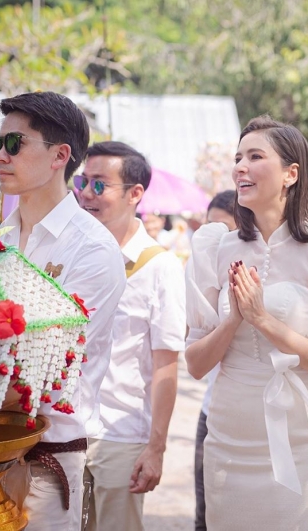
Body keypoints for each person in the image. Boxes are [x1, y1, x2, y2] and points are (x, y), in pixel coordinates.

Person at [185, 116, 308, 530]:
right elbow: (195, 366)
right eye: (237, 158)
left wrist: (264, 320)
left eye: (254, 156)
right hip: (228, 441)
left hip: (300, 443)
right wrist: (234, 318)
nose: (240, 168)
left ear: (291, 173)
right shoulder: (214, 247)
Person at [0, 91, 126, 530]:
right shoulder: (3, 238)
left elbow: (47, 370)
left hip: (44, 463)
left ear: (60, 156)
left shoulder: (92, 250)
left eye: (14, 144)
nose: (0, 155)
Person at [78, 141, 185, 531]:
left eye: (100, 185)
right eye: (83, 181)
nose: (86, 194)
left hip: (121, 436)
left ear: (135, 194)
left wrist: (156, 447)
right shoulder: (78, 256)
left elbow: (165, 366)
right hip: (68, 430)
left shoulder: (161, 268)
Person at [193, 189, 236, 531]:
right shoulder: (204, 275)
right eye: (209, 227)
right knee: (207, 519)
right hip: (214, 413)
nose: (214, 239)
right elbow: (194, 360)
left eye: (223, 229)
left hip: (269, 417)